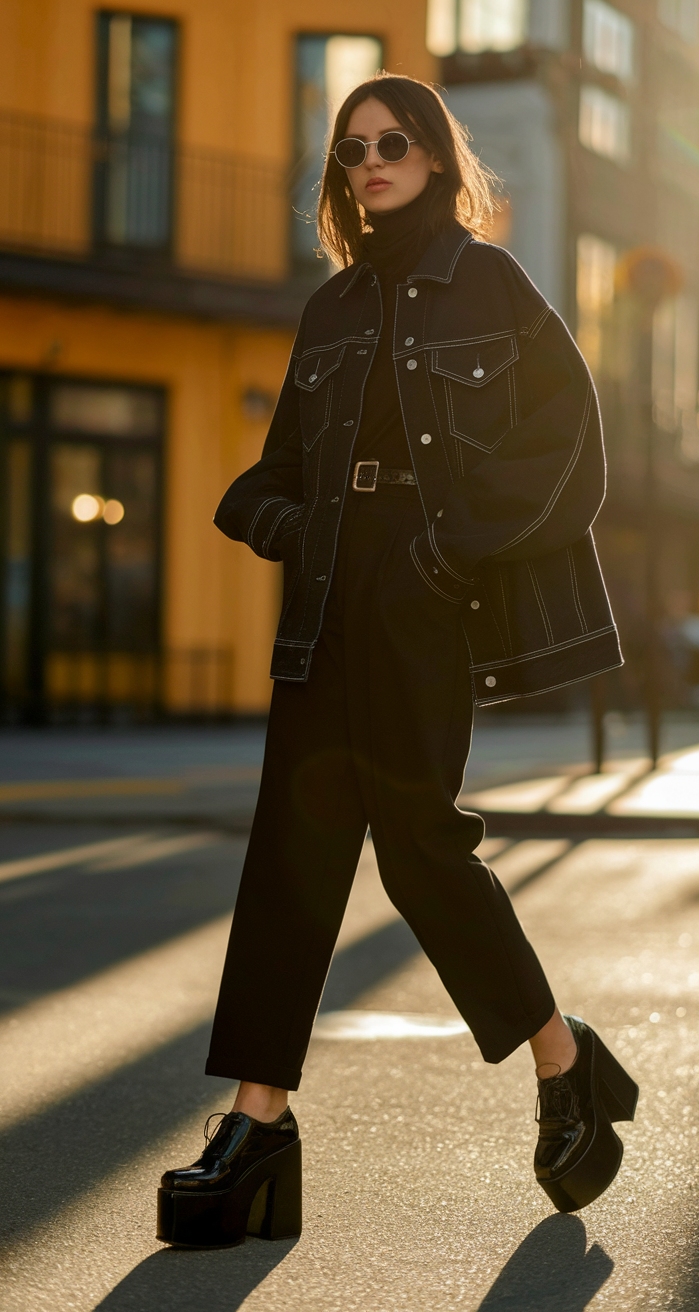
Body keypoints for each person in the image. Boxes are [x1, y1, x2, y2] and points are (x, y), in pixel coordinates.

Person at [156, 74, 638, 1250]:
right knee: (288, 857)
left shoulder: (489, 283)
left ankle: (563, 1061)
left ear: (434, 157)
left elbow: (568, 444)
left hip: (421, 596)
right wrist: (279, 525)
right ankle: (257, 1124)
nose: (371, 161)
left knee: (422, 852)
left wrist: (448, 554)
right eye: (353, 147)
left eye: (395, 143)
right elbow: (268, 479)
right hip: (325, 600)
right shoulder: (327, 311)